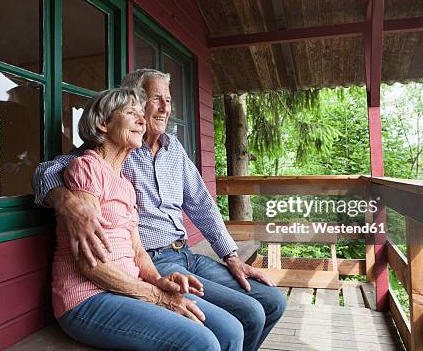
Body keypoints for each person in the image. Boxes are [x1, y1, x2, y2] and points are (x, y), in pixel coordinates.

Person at [33, 69, 287, 351]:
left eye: (168, 100)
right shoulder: (105, 153)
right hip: (150, 262)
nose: (166, 108)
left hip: (183, 255)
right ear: (136, 104)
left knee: (272, 302)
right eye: (156, 99)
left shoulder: (170, 151)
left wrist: (232, 256)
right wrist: (65, 201)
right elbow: (48, 172)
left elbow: (202, 204)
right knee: (240, 319)